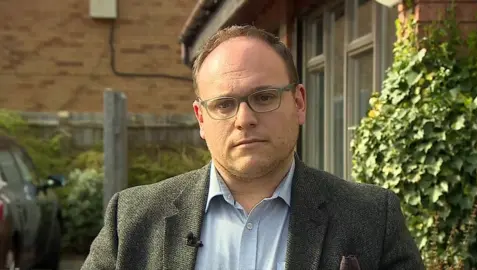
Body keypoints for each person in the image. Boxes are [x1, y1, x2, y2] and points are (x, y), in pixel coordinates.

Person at [81, 25, 424, 270]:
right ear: (201, 118)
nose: (244, 119)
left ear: (299, 102)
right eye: (225, 104)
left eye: (263, 97)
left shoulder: (371, 217)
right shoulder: (131, 220)